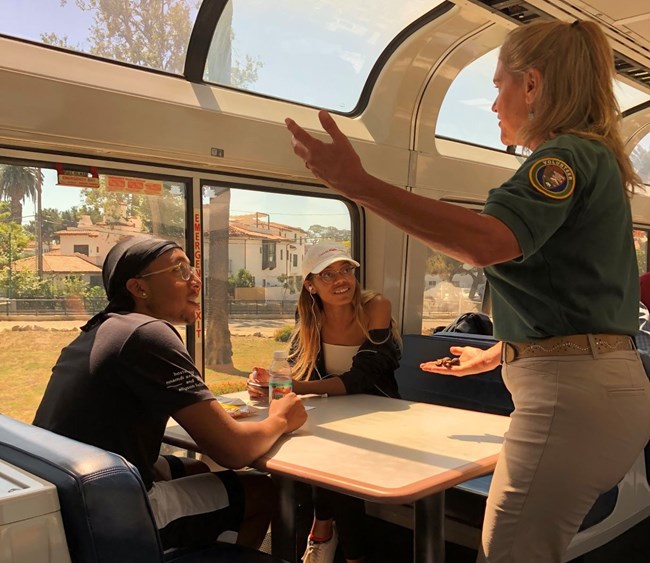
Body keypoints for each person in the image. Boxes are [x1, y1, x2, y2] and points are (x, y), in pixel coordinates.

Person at [284, 20, 650, 563]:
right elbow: (580, 297)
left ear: (533, 85)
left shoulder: (563, 159)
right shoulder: (590, 157)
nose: (494, 103)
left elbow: (486, 242)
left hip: (569, 399)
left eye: (499, 85)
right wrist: (506, 350)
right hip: (589, 387)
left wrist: (358, 185)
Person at [33, 235, 307, 551]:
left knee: (198, 469)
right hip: (108, 513)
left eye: (192, 269)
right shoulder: (148, 333)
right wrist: (281, 419)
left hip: (71, 496)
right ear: (138, 288)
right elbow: (233, 451)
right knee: (261, 490)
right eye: (180, 270)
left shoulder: (103, 329)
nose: (195, 282)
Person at [248, 241, 401, 563]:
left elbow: (366, 375)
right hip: (333, 412)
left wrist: (295, 386)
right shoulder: (309, 316)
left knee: (335, 468)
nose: (341, 280)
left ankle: (325, 534)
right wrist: (266, 384)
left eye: (346, 270)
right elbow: (295, 366)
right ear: (310, 285)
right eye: (327, 275)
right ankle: (324, 533)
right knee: (295, 459)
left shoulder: (376, 306)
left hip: (381, 414)